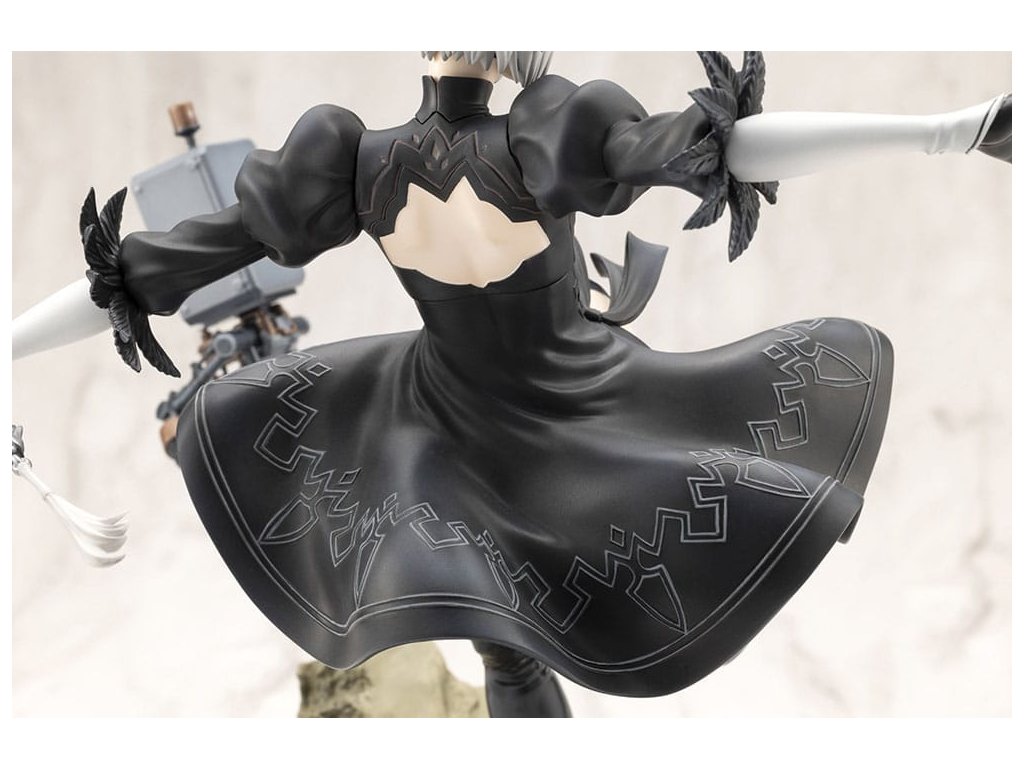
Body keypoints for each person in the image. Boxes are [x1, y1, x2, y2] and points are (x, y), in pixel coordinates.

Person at [12, 51, 1011, 717]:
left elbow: (146, 268)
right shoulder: (533, 139)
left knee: (511, 646)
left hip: (454, 432)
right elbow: (717, 148)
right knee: (521, 640)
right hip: (534, 419)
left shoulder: (359, 163)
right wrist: (945, 131)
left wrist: (949, 129)